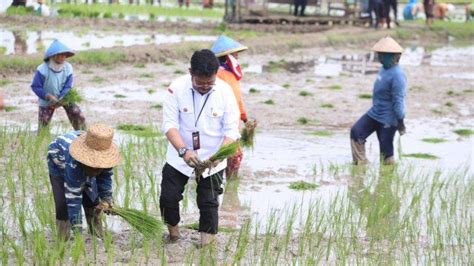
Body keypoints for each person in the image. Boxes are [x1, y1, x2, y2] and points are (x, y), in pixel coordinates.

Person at [160, 49, 240, 247]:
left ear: (216, 75)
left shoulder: (225, 91)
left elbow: (232, 129)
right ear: (190, 72)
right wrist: (183, 151)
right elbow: (169, 125)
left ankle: (206, 246)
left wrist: (219, 156)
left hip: (212, 155)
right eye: (200, 82)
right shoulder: (176, 88)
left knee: (209, 202)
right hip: (180, 154)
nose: (205, 86)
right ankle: (174, 236)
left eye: (209, 82)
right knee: (168, 197)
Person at [47, 123, 122, 240]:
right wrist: (78, 233)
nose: (96, 168)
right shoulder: (73, 164)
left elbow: (105, 177)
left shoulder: (106, 155)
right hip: (59, 161)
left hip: (82, 156)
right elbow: (73, 199)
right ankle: (63, 238)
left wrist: (107, 199)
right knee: (63, 203)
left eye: (98, 167)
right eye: (93, 166)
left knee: (92, 198)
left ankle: (96, 233)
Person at [350, 36, 407, 165]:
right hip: (375, 113)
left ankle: (387, 178)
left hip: (388, 119)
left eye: (381, 54)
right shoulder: (383, 69)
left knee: (386, 152)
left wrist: (400, 121)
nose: (378, 57)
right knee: (356, 132)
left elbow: (399, 100)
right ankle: (360, 165)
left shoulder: (398, 75)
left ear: (392, 56)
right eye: (378, 54)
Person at [211, 35, 255, 179]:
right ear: (227, 57)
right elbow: (237, 100)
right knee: (234, 154)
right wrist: (245, 118)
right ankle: (231, 187)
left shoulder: (211, 73)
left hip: (210, 120)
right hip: (227, 120)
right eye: (235, 55)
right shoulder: (226, 75)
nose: (237, 58)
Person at [31, 39, 86, 133]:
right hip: (47, 99)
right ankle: (41, 140)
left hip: (64, 97)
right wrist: (48, 96)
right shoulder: (42, 69)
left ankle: (82, 135)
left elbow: (68, 85)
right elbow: (36, 86)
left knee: (76, 113)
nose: (63, 57)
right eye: (60, 54)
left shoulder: (68, 68)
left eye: (64, 54)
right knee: (44, 122)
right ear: (53, 55)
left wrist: (62, 98)